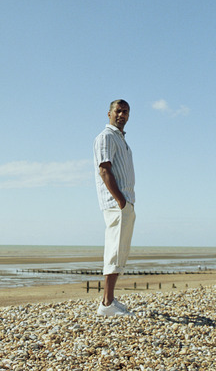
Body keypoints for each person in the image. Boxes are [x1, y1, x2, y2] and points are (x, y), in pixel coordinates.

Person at [93, 99, 136, 317]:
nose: (122, 115)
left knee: (120, 252)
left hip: (126, 202)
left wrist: (127, 202)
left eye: (125, 112)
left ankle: (109, 300)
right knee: (114, 251)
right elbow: (104, 170)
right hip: (117, 203)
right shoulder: (106, 137)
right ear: (109, 113)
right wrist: (120, 201)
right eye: (118, 111)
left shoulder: (121, 139)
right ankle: (107, 304)